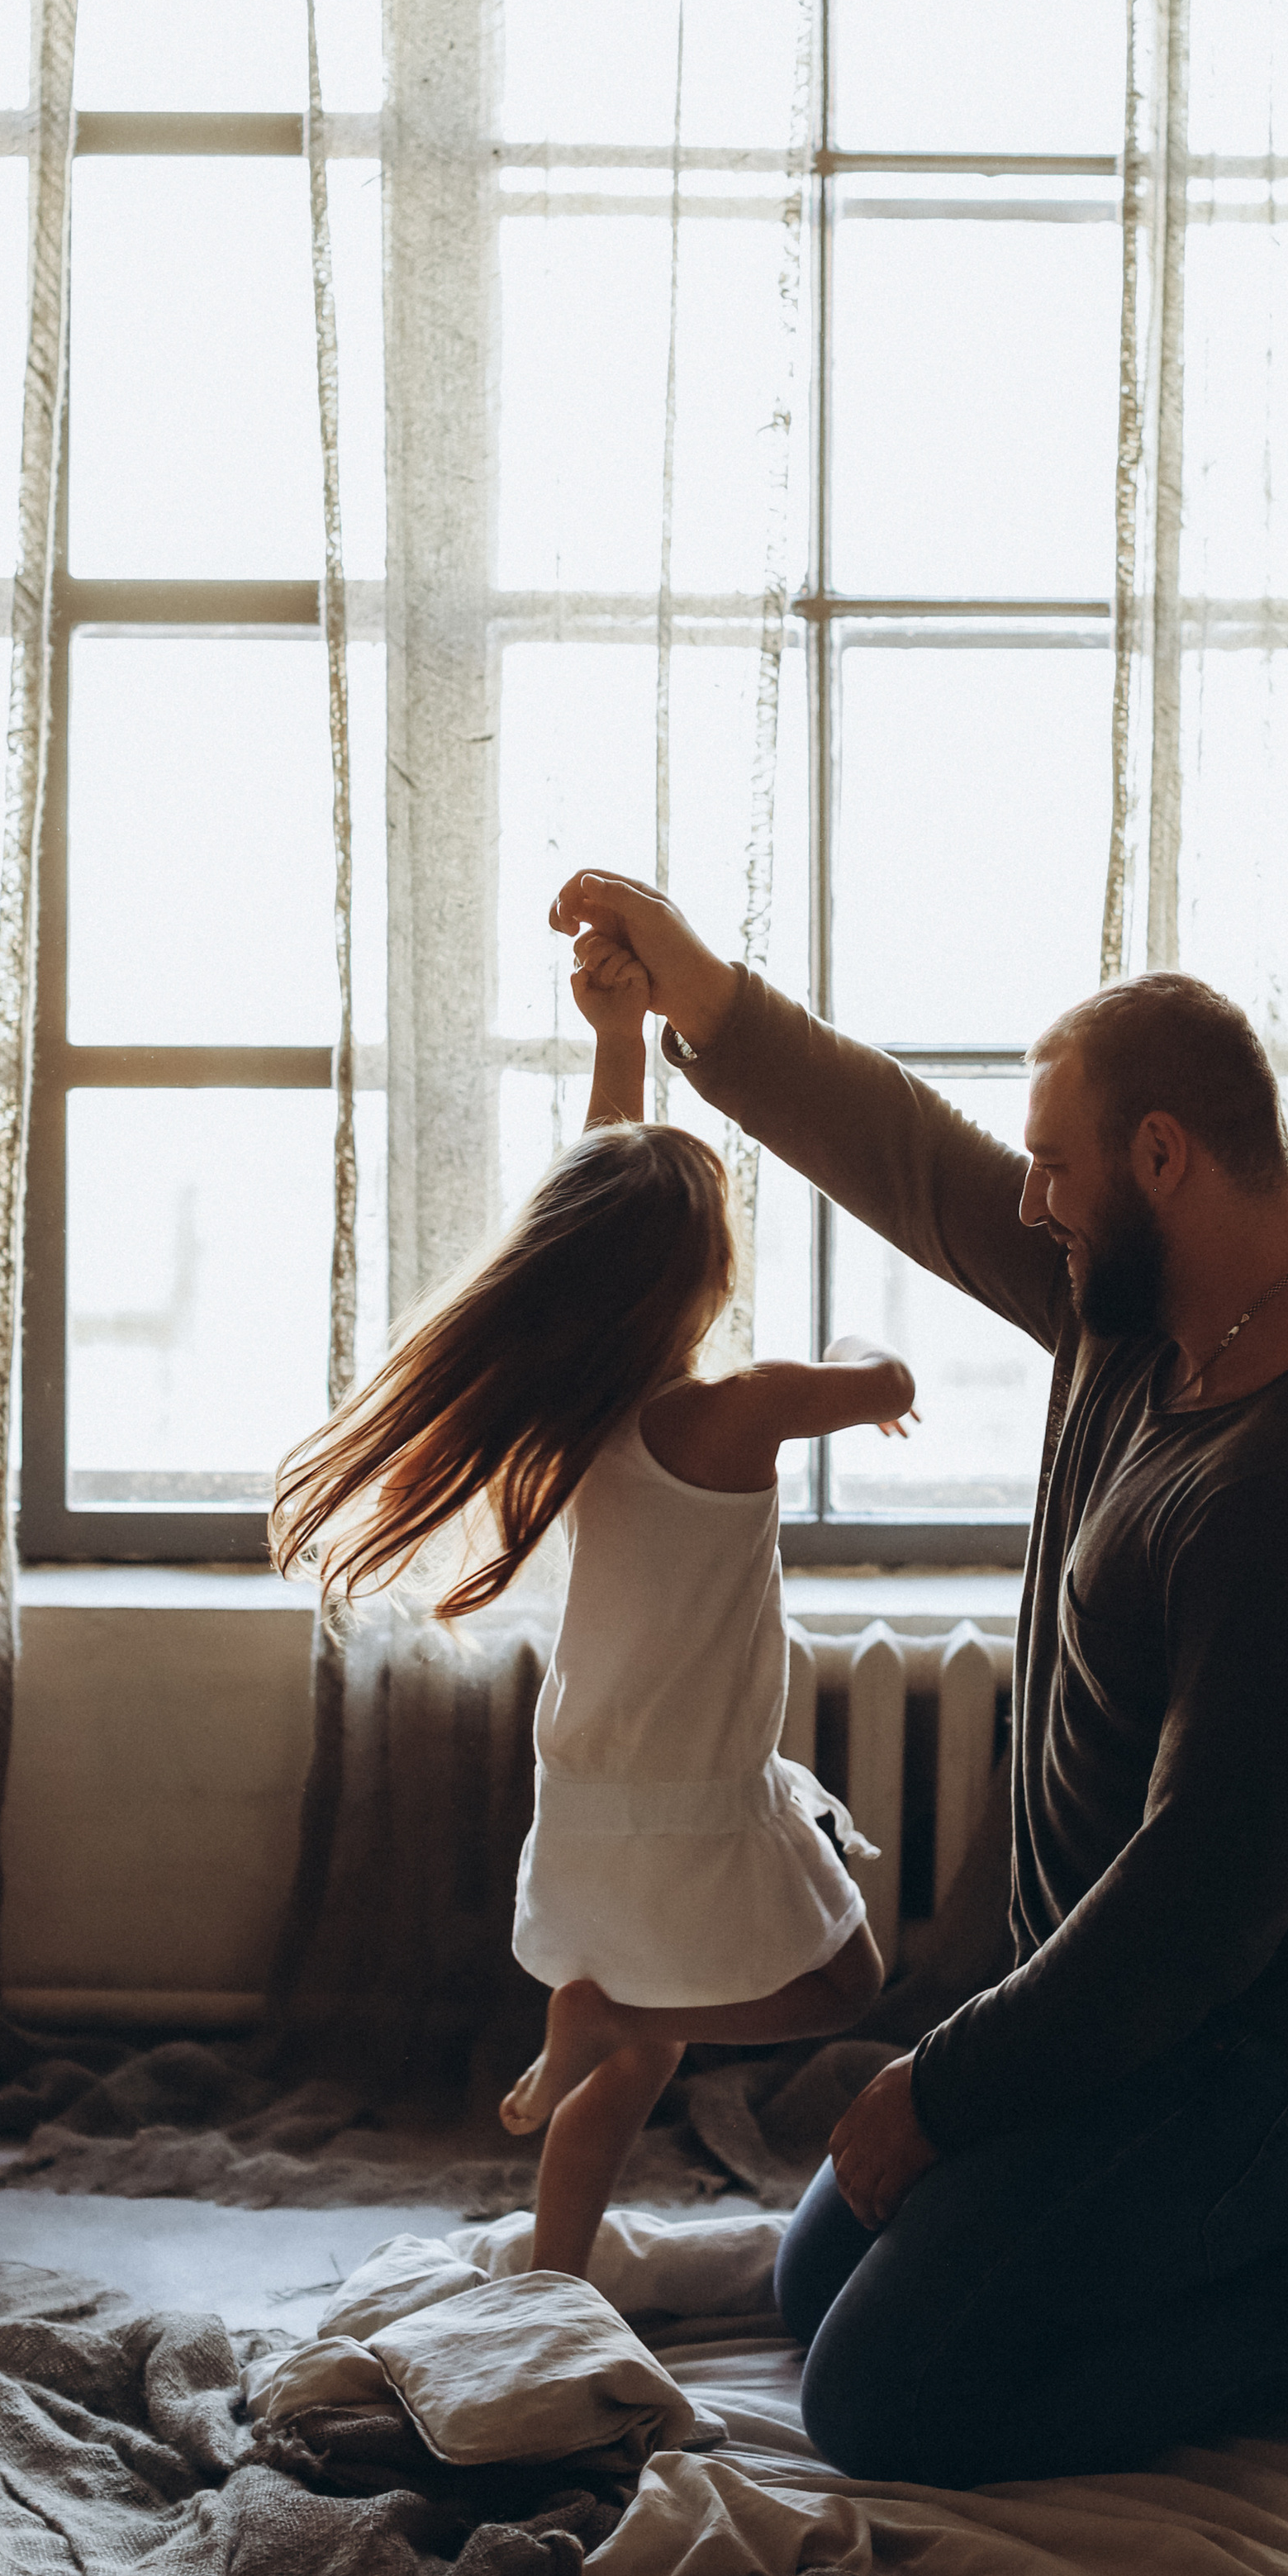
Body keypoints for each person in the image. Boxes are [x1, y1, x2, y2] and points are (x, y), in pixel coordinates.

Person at [546, 866, 1288, 2488]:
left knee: (879, 2408)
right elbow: (912, 1161)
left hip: (1258, 2061)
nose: (1033, 1203)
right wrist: (693, 994)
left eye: (1057, 1169)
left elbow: (1197, 1911)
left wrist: (943, 2081)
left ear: (1160, 1158)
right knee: (809, 2284)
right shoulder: (1147, 1313)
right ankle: (1262, 2244)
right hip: (1123, 2027)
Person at [269, 933, 917, 2279]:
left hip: (589, 1788)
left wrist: (621, 1050)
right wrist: (851, 1354)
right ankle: (600, 2011)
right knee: (849, 1984)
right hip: (693, 1789)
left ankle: (557, 2268)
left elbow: (600, 1210)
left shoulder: (580, 1409)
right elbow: (889, 1377)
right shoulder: (738, 1414)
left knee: (636, 2060)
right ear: (709, 1285)